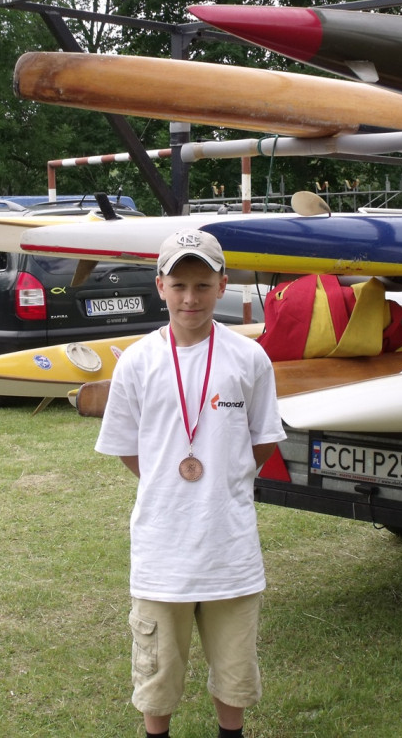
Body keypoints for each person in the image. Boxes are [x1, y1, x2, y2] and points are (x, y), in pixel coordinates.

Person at [95, 228, 287, 738]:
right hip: (163, 550)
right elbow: (129, 449)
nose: (190, 298)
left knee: (235, 669)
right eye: (179, 285)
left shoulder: (248, 359)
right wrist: (171, 481)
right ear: (160, 286)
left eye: (202, 285)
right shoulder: (137, 361)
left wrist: (221, 479)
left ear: (222, 285)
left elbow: (263, 440)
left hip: (229, 548)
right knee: (157, 670)